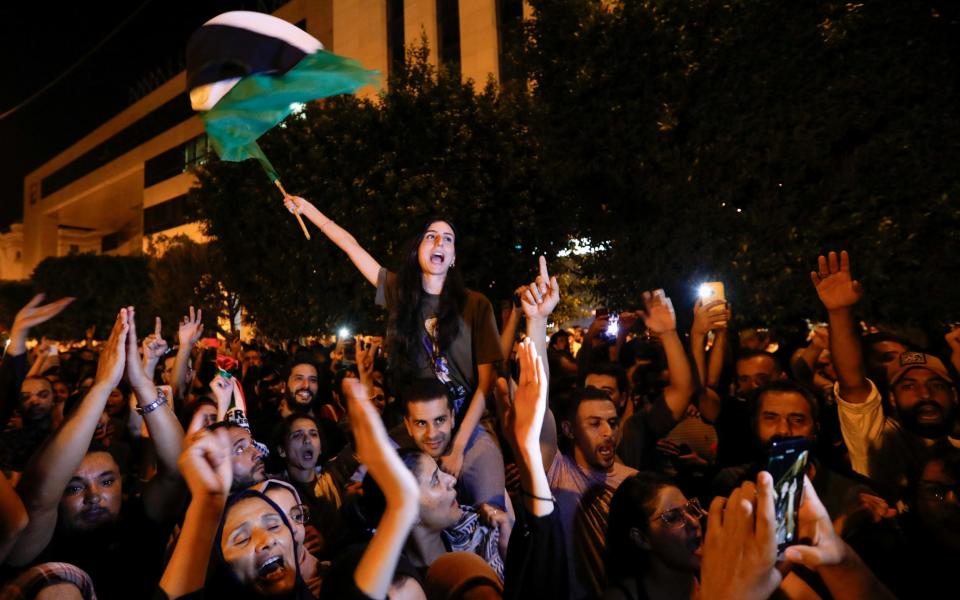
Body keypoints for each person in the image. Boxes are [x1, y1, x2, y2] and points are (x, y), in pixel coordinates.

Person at [285, 197, 504, 507]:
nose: (439, 242)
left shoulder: (476, 305)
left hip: (469, 428)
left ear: (453, 257)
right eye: (431, 236)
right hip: (416, 427)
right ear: (418, 250)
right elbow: (351, 245)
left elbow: (486, 384)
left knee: (493, 509)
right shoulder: (399, 293)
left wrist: (457, 448)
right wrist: (308, 209)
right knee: (356, 477)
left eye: (448, 239)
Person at [158, 378, 421, 600]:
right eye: (241, 538)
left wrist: (401, 507)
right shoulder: (203, 526)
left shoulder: (332, 569)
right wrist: (208, 502)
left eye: (279, 524)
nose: (267, 540)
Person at [6, 307, 187, 600]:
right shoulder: (39, 542)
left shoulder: (138, 522)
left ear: (123, 481)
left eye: (106, 482)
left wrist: (141, 382)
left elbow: (177, 472)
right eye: (74, 487)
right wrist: (102, 385)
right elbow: (38, 498)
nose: (93, 497)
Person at [812, 250, 960, 491]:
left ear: (954, 394)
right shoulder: (877, 439)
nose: (925, 395)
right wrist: (839, 313)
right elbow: (852, 383)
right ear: (891, 396)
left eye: (936, 385)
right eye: (909, 386)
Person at [603, 473, 705, 600]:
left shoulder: (719, 578)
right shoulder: (621, 597)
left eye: (691, 509)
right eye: (673, 517)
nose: (694, 523)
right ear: (641, 538)